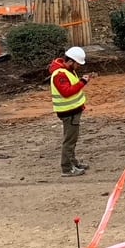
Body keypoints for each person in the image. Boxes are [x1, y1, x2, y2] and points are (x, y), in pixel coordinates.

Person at [49, 45, 90, 177]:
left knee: (72, 139)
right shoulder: (60, 74)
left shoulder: (67, 71)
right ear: (71, 61)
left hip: (72, 111)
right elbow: (66, 92)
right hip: (68, 113)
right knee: (69, 141)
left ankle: (73, 163)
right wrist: (82, 82)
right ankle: (67, 168)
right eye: (77, 64)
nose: (79, 66)